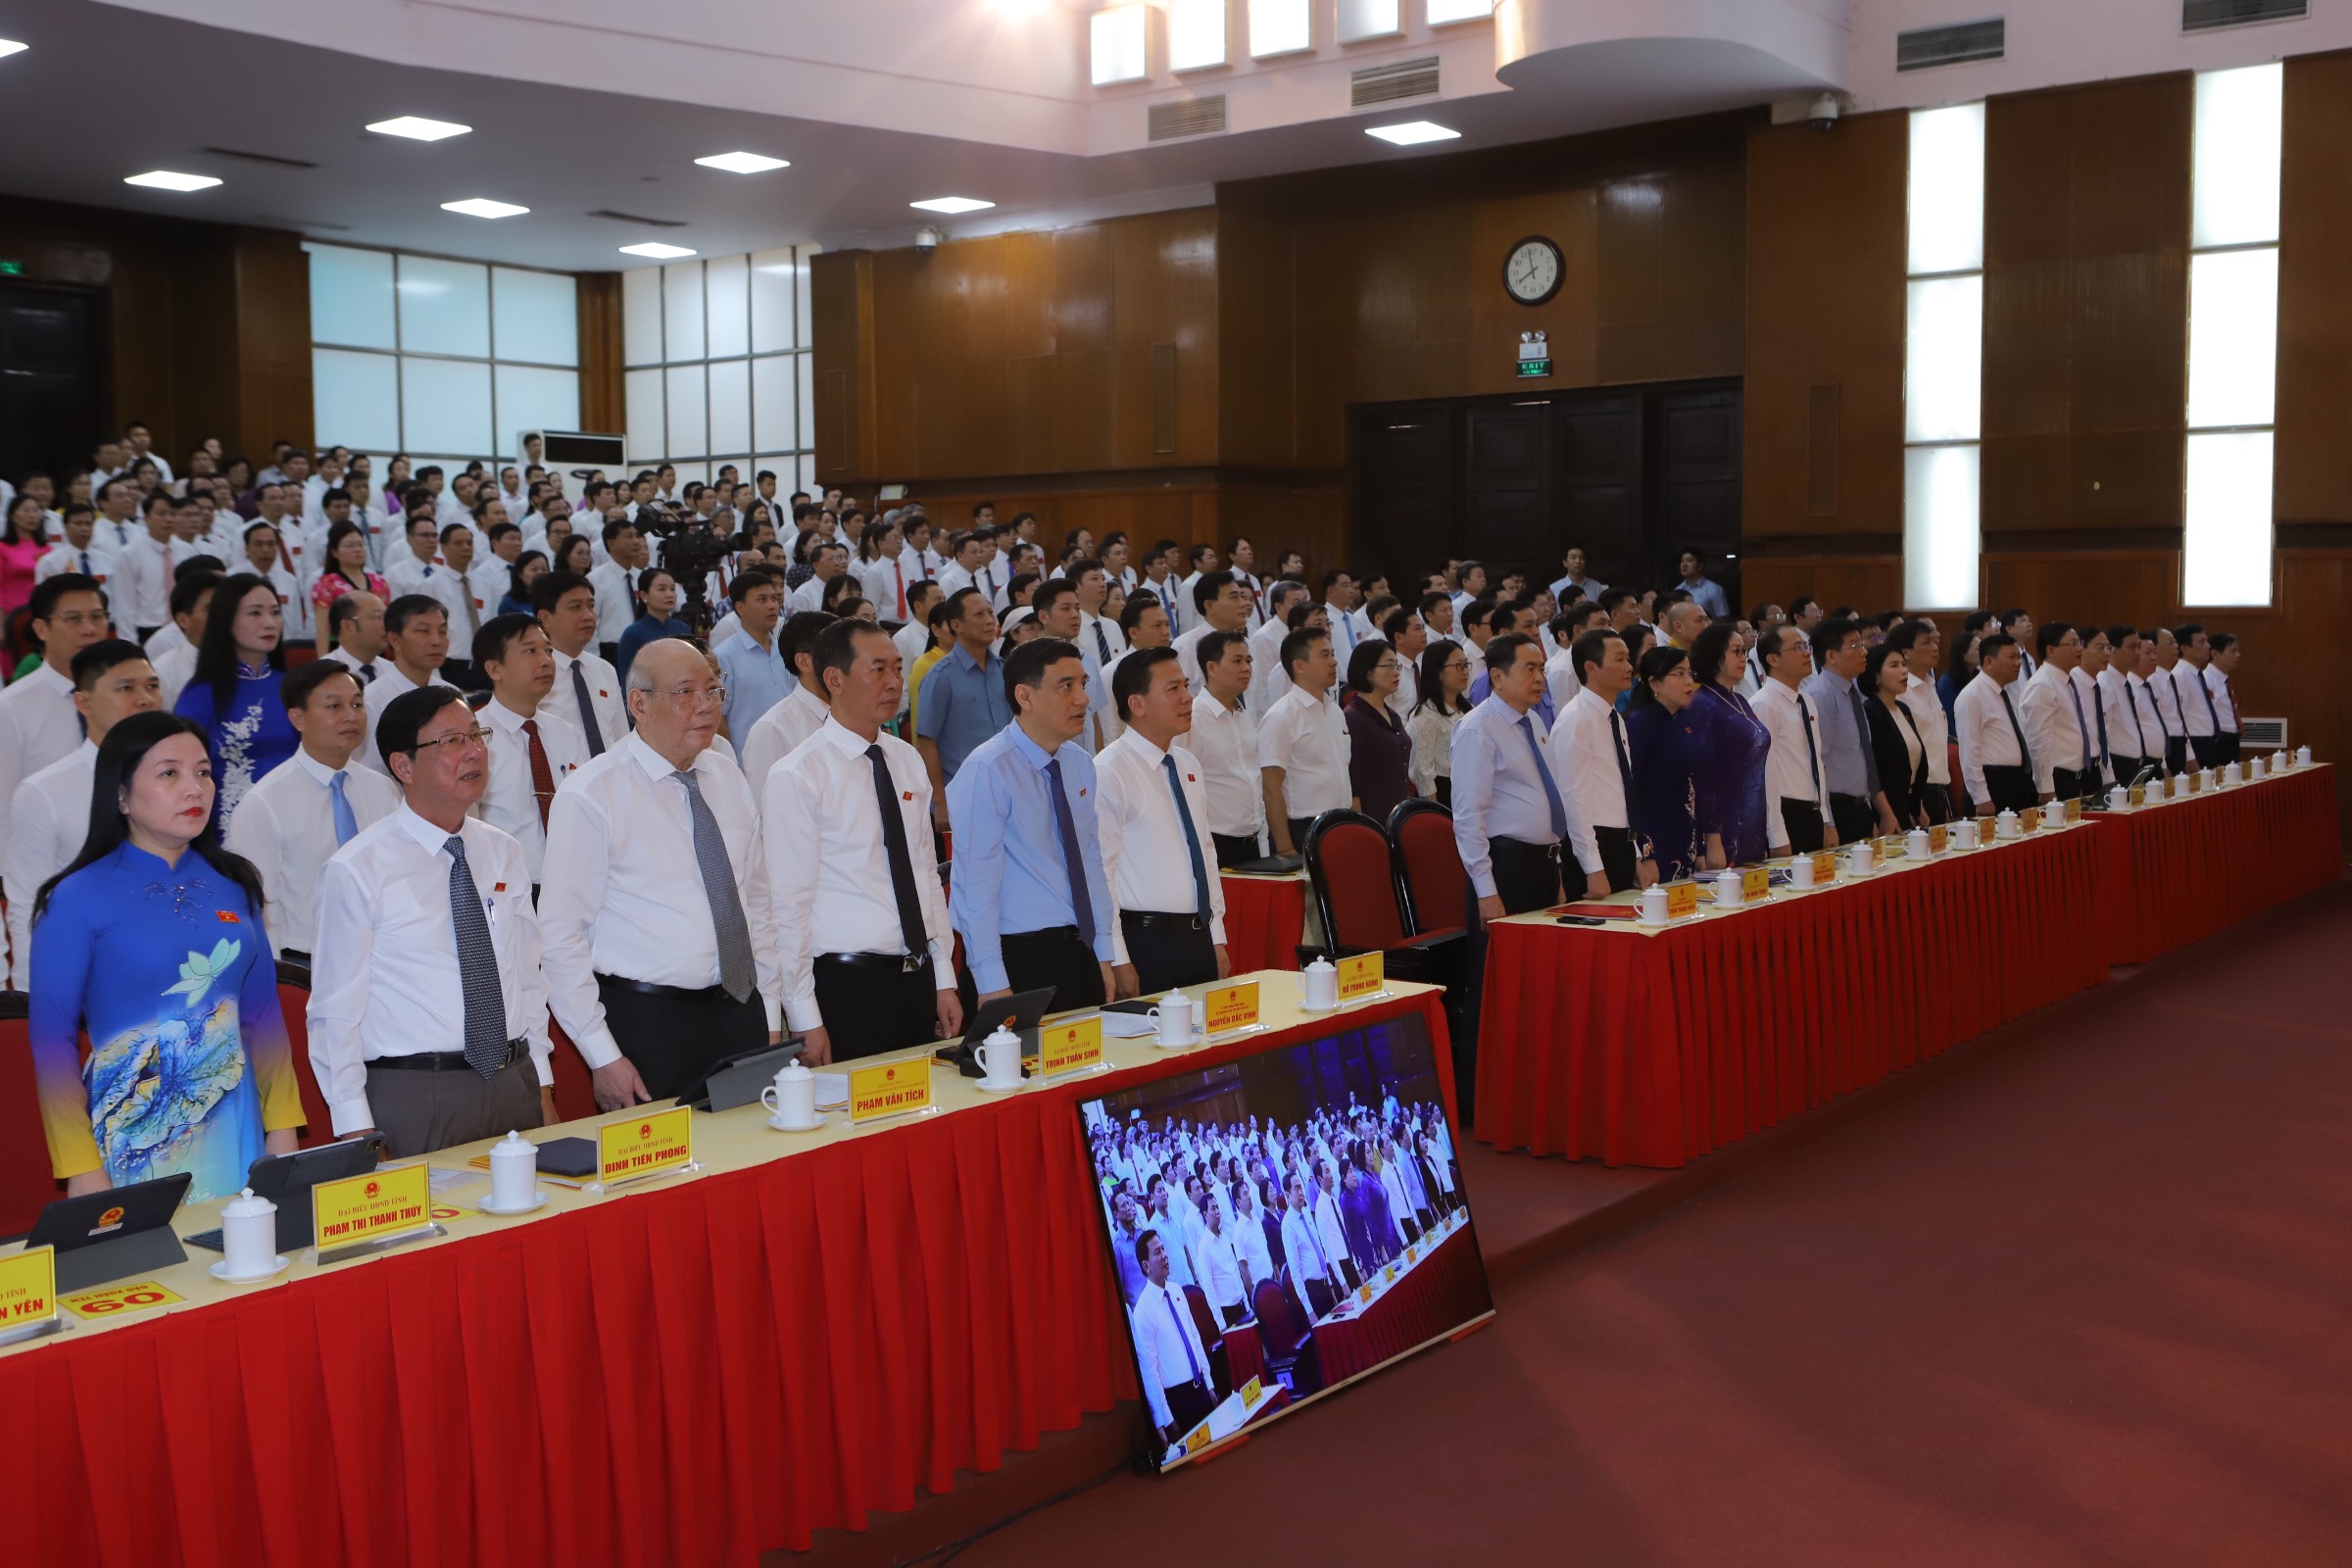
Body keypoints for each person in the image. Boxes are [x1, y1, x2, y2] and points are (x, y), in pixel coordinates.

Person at [28, 711, 304, 1200]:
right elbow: (52, 1041)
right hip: (129, 1139)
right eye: (169, 773)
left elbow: (261, 1017)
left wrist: (282, 1129)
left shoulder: (235, 884)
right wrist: (80, 1167)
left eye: (203, 772)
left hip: (236, 1124)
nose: (195, 788)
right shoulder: (75, 898)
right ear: (121, 795)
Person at [308, 688, 556, 1156]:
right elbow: (333, 1012)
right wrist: (354, 1124)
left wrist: (541, 1079)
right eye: (450, 741)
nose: (473, 751)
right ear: (403, 766)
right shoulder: (357, 869)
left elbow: (527, 977)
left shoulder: (504, 851)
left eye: (475, 735)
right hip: (417, 1091)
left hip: (512, 1079)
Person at [541, 641, 784, 1106]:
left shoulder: (727, 774)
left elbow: (758, 903)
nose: (705, 705)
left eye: (713, 690)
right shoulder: (591, 794)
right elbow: (560, 937)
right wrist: (602, 1055)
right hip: (648, 1021)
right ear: (638, 704)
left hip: (740, 1008)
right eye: (685, 692)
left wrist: (769, 1014)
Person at [763, 621, 960, 1064]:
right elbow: (788, 906)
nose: (894, 683)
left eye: (897, 668)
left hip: (916, 976)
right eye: (877, 670)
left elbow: (925, 875)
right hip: (845, 983)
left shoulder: (906, 758)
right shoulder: (798, 774)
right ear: (834, 679)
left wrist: (943, 977)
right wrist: (803, 1015)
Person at [946, 638, 1119, 1010]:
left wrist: (1103, 952)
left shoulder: (1078, 763)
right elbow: (975, 887)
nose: (1083, 699)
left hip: (1078, 949)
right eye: (1065, 686)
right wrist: (990, 981)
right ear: (1025, 696)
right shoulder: (987, 769)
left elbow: (1091, 863)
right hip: (1016, 954)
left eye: (1083, 684)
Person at [7, 642, 162, 988]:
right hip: (85, 981)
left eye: (152, 686)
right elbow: (28, 909)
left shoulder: (181, 782)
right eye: (126, 688)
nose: (146, 699)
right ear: (84, 702)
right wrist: (36, 1003)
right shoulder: (43, 792)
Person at [224, 660, 399, 960]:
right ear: (298, 718)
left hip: (382, 953)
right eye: (334, 707)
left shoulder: (382, 789)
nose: (350, 716)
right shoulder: (264, 802)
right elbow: (256, 905)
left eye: (357, 705)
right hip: (305, 962)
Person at [1099, 647, 1231, 996]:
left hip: (1198, 934)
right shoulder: (1108, 770)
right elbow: (1101, 872)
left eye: (1186, 686)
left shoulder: (1187, 763)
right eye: (1173, 689)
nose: (1188, 698)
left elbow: (1205, 851)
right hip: (1145, 940)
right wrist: (1118, 956)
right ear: (1137, 704)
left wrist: (1217, 937)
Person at [1453, 632, 1594, 916]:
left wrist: (1556, 874)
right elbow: (1469, 815)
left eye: (1541, 668)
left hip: (1544, 864)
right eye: (1529, 669)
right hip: (1506, 866)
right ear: (1497, 676)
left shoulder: (1533, 720)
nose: (1540, 677)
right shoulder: (1477, 728)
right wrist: (1486, 890)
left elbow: (1550, 794)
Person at [469, 613, 587, 889]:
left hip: (573, 882)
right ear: (495, 669)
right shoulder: (474, 738)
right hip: (508, 888)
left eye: (548, 650)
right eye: (530, 651)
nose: (547, 661)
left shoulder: (566, 733)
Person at [172, 573, 294, 831]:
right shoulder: (201, 694)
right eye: (255, 613)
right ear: (226, 621)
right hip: (227, 825)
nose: (270, 623)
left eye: (275, 612)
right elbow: (179, 764)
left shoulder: (296, 687)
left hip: (295, 818)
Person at [0, 575, 108, 861]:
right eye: (73, 619)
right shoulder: (11, 707)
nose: (89, 629)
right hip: (48, 863)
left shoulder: (126, 695)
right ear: (41, 628)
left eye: (97, 617)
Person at [1552, 628, 1655, 892]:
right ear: (1591, 667)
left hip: (1620, 840)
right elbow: (1574, 798)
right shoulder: (1576, 718)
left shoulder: (1614, 717)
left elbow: (1621, 791)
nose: (1629, 667)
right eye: (1619, 659)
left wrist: (1634, 855)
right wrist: (1593, 867)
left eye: (1628, 659)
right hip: (1593, 843)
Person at [915, 587, 1012, 818]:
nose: (990, 620)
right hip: (965, 797)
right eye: (980, 615)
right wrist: (940, 801)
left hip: (1009, 791)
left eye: (991, 613)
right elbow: (926, 742)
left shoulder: (1004, 670)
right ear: (956, 625)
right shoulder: (941, 676)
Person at [1258, 628, 1352, 855]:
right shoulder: (1281, 716)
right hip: (1303, 828)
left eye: (1332, 653)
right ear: (1299, 666)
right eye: (1324, 655)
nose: (1333, 662)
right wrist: (1285, 847)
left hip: (1341, 823)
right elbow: (1270, 788)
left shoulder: (1335, 711)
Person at [1689, 621, 1777, 864]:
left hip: (1753, 820)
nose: (1742, 658)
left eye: (1745, 652)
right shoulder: (1703, 703)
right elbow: (1703, 776)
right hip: (1723, 824)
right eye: (1735, 651)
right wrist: (1712, 839)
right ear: (1715, 656)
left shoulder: (1740, 699)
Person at [1798, 615, 1889, 843]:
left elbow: (1861, 758)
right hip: (1837, 811)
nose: (1864, 652)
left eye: (1862, 644)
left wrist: (1872, 811)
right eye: (1854, 646)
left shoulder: (1853, 691)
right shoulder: (1821, 695)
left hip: (1860, 808)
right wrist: (1828, 822)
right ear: (1831, 656)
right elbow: (1819, 763)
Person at [1182, 629, 1267, 866]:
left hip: (1252, 842)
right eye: (1237, 661)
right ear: (1211, 668)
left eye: (1248, 660)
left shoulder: (1242, 715)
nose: (1246, 668)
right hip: (1215, 845)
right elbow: (1186, 790)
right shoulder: (1193, 719)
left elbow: (1254, 781)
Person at [1626, 646, 1709, 881]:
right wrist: (1645, 853)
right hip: (1657, 840)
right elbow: (1634, 792)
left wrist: (1701, 847)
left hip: (1686, 835)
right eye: (1679, 673)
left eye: (1690, 673)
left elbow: (1695, 784)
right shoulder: (1640, 725)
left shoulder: (1684, 721)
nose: (1688, 681)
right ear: (1654, 684)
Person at [1131, 1229, 1220, 1446]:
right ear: (1146, 1266)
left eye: (1164, 1249)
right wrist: (1168, 1421)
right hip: (1179, 1401)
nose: (1164, 1255)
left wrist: (1209, 1384)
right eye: (1157, 1252)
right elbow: (1150, 1373)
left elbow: (1195, 1338)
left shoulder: (1177, 1291)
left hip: (1201, 1389)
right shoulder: (1142, 1312)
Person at [1752, 624, 1837, 854]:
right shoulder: (1764, 704)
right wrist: (1777, 835)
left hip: (1813, 813)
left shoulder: (1806, 700)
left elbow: (1817, 763)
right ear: (1774, 659)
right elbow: (1765, 773)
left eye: (1806, 645)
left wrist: (1826, 819)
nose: (1807, 652)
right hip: (1787, 815)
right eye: (1797, 647)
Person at [738, 611, 838, 789]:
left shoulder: (857, 713)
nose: (848, 663)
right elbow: (767, 808)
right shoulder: (772, 729)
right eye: (837, 652)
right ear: (804, 662)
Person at [531, 569, 626, 759]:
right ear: (545, 618)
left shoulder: (605, 669)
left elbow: (621, 737)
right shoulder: (533, 672)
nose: (588, 615)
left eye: (591, 606)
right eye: (575, 607)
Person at [358, 594, 448, 773]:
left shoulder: (450, 693)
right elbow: (366, 772)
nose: (436, 641)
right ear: (394, 640)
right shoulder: (371, 702)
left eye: (443, 632)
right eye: (423, 631)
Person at [1955, 632, 2037, 814]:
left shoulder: (2004, 692)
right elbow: (1969, 752)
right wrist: (1981, 798)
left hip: (2016, 782)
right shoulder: (1973, 695)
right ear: (1989, 662)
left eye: (2018, 657)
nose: (2018, 663)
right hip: (1992, 784)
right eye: (2011, 657)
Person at [1340, 639, 1416, 824]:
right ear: (1367, 671)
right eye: (1389, 666)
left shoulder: (1391, 715)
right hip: (1372, 817)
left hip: (1396, 813)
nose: (1396, 672)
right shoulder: (1354, 717)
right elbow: (1352, 777)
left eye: (1396, 665)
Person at [1885, 620, 1953, 823]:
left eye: (1935, 641)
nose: (1934, 647)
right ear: (1906, 652)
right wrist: (1913, 802)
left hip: (1940, 790)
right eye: (1926, 642)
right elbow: (1900, 754)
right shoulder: (1900, 694)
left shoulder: (1930, 686)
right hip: (1917, 793)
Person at [2018, 622, 2094, 804]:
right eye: (2073, 643)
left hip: (2074, 777)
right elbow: (2038, 741)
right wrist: (2046, 789)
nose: (2079, 648)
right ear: (2051, 650)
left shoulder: (2066, 681)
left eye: (2079, 643)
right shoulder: (2042, 685)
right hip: (2056, 779)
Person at [1863, 643, 1932, 830]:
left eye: (1903, 664)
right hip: (1886, 809)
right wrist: (1887, 814)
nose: (1904, 670)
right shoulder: (1871, 712)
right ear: (1876, 675)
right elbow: (1875, 770)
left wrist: (1919, 806)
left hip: (1908, 802)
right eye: (1894, 666)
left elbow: (1913, 763)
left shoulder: (1903, 709)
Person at [715, 568, 792, 732]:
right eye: (762, 600)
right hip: (747, 754)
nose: (772, 606)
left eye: (774, 599)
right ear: (740, 608)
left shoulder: (786, 650)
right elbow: (718, 716)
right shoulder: (724, 657)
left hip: (791, 751)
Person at [310, 521, 386, 656]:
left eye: (360, 544)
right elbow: (323, 629)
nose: (357, 549)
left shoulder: (379, 582)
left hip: (375, 651)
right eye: (350, 545)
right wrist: (323, 662)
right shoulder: (326, 584)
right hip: (341, 650)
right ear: (334, 551)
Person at [613, 566, 691, 685]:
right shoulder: (632, 634)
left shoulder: (683, 629)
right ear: (644, 596)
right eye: (662, 589)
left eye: (672, 589)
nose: (669, 594)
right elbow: (627, 682)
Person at [2098, 625, 2154, 787]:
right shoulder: (2105, 682)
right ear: (2112, 650)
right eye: (2131, 647)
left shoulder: (2125, 681)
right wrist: (2108, 777)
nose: (2138, 652)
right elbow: (2103, 734)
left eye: (2139, 647)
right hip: (2118, 765)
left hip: (2135, 764)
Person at [2172, 623, 2227, 767]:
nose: (2208, 646)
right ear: (2185, 648)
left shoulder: (2196, 674)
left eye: (2207, 641)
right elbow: (2179, 719)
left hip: (2209, 744)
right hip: (2196, 745)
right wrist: (2190, 756)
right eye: (2201, 642)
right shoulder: (2180, 676)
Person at [2203, 633, 2243, 766]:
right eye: (2233, 651)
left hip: (2231, 740)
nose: (2238, 655)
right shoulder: (2206, 679)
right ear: (2215, 653)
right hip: (2218, 741)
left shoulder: (2225, 681)